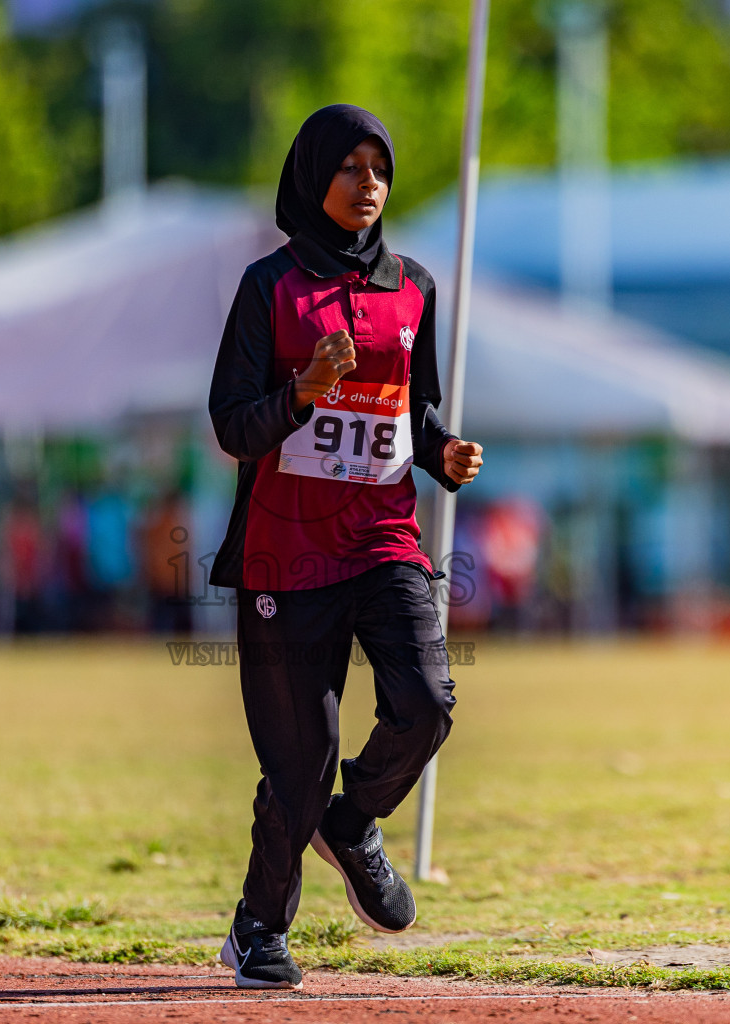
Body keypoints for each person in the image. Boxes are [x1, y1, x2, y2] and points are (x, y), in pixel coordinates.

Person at [207, 104, 483, 990]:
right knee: (298, 761)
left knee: (428, 704)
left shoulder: (415, 287)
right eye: (349, 168)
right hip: (284, 557)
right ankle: (259, 926)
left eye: (380, 169)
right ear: (313, 176)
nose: (368, 185)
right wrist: (303, 390)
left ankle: (354, 822)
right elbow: (231, 425)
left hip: (384, 538)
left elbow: (417, 407)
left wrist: (441, 452)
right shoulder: (269, 288)